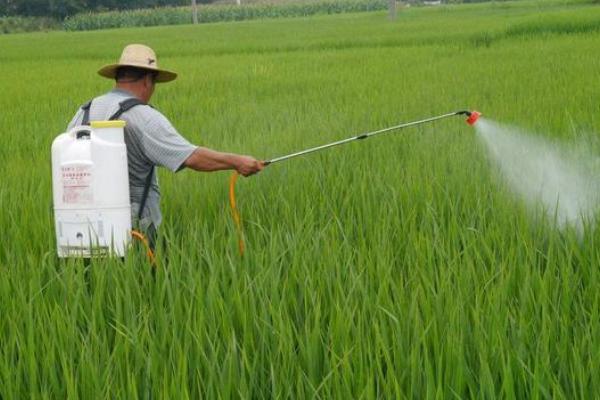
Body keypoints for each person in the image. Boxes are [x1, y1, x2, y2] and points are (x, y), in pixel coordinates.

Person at [67, 44, 264, 249]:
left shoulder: (85, 111)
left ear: (118, 77)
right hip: (134, 229)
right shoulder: (144, 117)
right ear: (147, 81)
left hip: (80, 225)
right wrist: (238, 162)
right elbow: (191, 157)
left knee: (93, 279)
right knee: (142, 279)